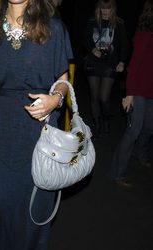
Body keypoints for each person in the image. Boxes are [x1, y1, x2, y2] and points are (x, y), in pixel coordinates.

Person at [0, 0, 73, 249]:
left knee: (32, 211)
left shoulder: (53, 29)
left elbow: (62, 79)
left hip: (39, 134)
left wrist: (55, 100)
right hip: (1, 132)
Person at [108, 0, 153, 187]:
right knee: (133, 130)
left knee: (149, 128)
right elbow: (133, 67)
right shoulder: (145, 36)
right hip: (138, 91)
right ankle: (117, 173)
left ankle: (140, 154)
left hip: (151, 92)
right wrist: (129, 94)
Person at [83, 0, 129, 138]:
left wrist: (122, 61)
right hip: (93, 63)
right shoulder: (92, 22)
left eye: (108, 8)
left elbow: (125, 44)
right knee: (94, 97)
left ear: (112, 9)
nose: (105, 11)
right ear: (99, 8)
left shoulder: (119, 24)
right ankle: (97, 126)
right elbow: (85, 39)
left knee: (104, 97)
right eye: (102, 8)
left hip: (110, 64)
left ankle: (106, 120)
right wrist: (92, 49)